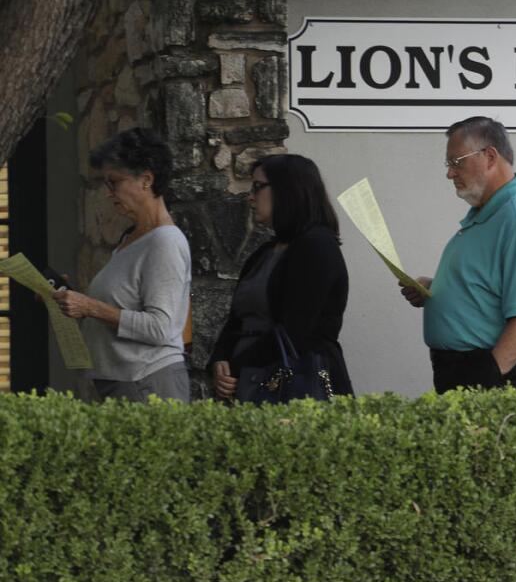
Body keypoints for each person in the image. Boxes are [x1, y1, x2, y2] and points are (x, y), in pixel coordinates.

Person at [400, 116, 516, 393]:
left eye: (456, 162)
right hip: (482, 368)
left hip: (504, 374)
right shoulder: (491, 212)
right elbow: (491, 282)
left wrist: (484, 379)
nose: (450, 173)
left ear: (489, 157)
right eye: (448, 164)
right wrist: (438, 290)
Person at [52, 128, 191, 402]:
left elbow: (160, 327)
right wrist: (70, 299)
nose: (108, 193)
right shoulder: (133, 237)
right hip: (128, 383)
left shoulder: (164, 241)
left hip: (148, 384)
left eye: (114, 182)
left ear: (147, 180)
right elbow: (120, 308)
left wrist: (90, 306)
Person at [209, 154, 353, 399]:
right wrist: (220, 360)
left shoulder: (317, 245)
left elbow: (296, 331)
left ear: (288, 189)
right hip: (252, 379)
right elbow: (237, 320)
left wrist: (236, 364)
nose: (250, 197)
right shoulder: (265, 253)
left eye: (258, 187)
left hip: (296, 385)